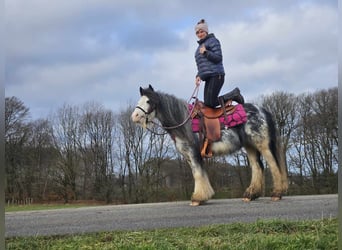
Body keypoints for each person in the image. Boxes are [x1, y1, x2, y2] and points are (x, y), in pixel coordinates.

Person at [194, 19, 244, 107]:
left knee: (210, 103)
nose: (199, 34)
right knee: (208, 104)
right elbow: (203, 65)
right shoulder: (199, 48)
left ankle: (234, 94)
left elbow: (218, 58)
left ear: (206, 31)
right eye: (197, 32)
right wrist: (198, 75)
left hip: (216, 75)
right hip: (208, 77)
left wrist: (206, 52)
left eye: (201, 31)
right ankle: (229, 98)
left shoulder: (213, 41)